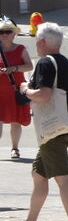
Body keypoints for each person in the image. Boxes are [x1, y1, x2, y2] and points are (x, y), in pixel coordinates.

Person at [3, 23, 68, 221]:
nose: (36, 45)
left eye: (37, 41)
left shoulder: (46, 63)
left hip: (52, 131)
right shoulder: (67, 64)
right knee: (38, 175)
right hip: (65, 127)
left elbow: (44, 95)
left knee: (63, 179)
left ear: (41, 42)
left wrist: (25, 90)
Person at [0, 18, 32, 161]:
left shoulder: (20, 49)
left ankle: (15, 148)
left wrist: (14, 68)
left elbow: (29, 66)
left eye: (7, 32)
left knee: (15, 121)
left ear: (14, 34)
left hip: (15, 90)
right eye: (1, 32)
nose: (4, 35)